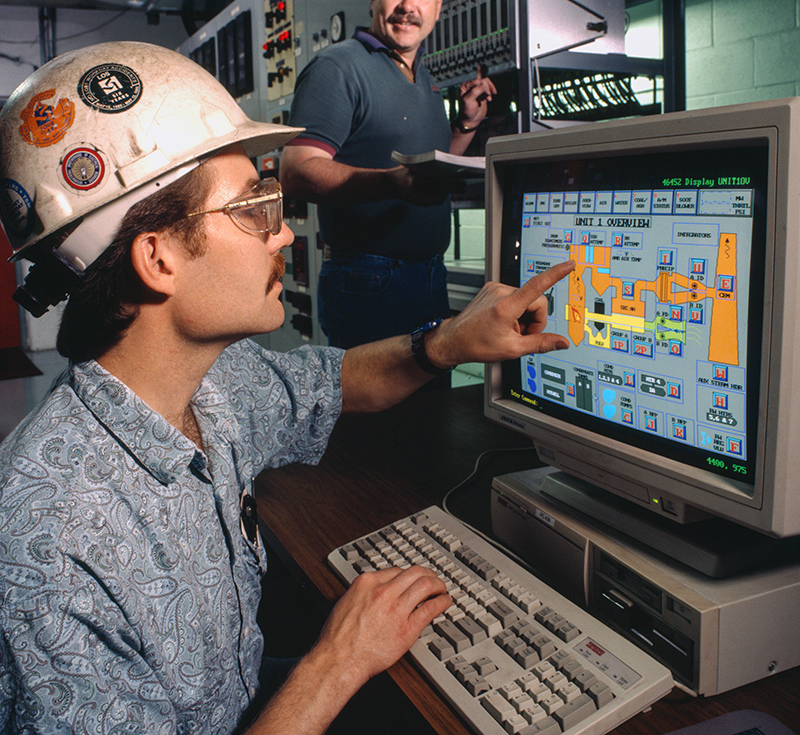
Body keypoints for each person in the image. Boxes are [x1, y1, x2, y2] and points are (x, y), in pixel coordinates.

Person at [0, 41, 573, 735]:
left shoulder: (210, 384)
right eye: (253, 208)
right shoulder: (49, 547)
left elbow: (332, 382)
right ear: (158, 259)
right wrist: (334, 664)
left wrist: (447, 342)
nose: (283, 236)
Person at [280, 0, 497, 348]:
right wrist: (390, 183)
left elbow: (427, 168)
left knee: (428, 410)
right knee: (378, 413)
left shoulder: (424, 77)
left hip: (429, 273)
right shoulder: (338, 68)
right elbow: (296, 171)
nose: (407, 6)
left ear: (439, 5)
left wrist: (465, 125)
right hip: (368, 279)